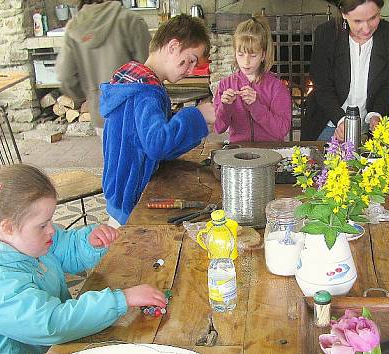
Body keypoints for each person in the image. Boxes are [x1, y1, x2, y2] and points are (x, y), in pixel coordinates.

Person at [0, 164, 167, 353]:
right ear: (8, 227)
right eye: (42, 225)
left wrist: (89, 241)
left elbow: (64, 247)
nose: (51, 230)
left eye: (51, 220)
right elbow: (52, 322)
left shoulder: (26, 241)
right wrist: (121, 299)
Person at [99, 15, 216, 227]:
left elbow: (151, 142)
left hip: (121, 189)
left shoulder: (134, 81)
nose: (190, 70)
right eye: (190, 60)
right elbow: (157, 144)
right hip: (131, 197)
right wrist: (198, 115)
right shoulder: (146, 92)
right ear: (173, 46)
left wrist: (195, 125)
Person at [301, 0, 389, 141]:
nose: (366, 28)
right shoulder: (326, 34)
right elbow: (322, 86)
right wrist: (341, 120)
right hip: (327, 124)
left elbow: (388, 85)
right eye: (358, 21)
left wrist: (376, 114)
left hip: (368, 130)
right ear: (344, 14)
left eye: (373, 18)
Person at [56, 0, 151, 137]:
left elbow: (66, 76)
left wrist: (86, 96)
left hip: (101, 113)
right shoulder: (131, 21)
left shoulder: (74, 27)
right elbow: (150, 68)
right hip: (135, 112)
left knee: (111, 157)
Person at [213, 16, 291, 143]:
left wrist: (256, 106)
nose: (246, 62)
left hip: (270, 151)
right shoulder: (225, 85)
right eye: (240, 54)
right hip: (238, 151)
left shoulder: (277, 87)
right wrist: (225, 107)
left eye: (253, 55)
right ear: (235, 53)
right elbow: (218, 128)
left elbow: (281, 130)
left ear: (263, 55)